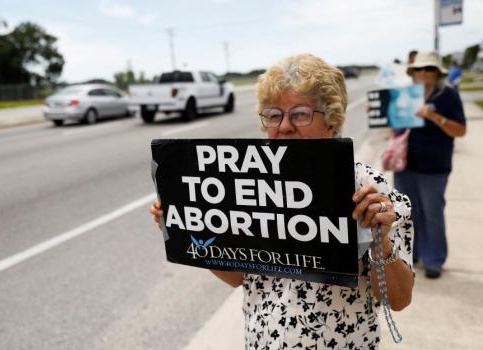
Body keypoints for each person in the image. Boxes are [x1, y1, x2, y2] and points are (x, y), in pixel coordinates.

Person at [150, 54, 415, 349]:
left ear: (331, 120)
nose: (284, 126)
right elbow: (238, 277)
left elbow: (399, 298)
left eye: (300, 114)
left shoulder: (367, 190)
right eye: (274, 115)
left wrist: (383, 240)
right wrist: (182, 225)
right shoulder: (246, 188)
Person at [394, 52, 467, 279]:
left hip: (434, 167)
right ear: (412, 72)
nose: (423, 73)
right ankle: (411, 255)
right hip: (405, 165)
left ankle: (434, 259)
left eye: (429, 69)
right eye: (419, 69)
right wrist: (380, 113)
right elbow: (396, 127)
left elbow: (461, 130)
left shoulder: (448, 96)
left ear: (438, 73)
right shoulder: (405, 95)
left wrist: (436, 118)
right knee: (405, 214)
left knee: (432, 214)